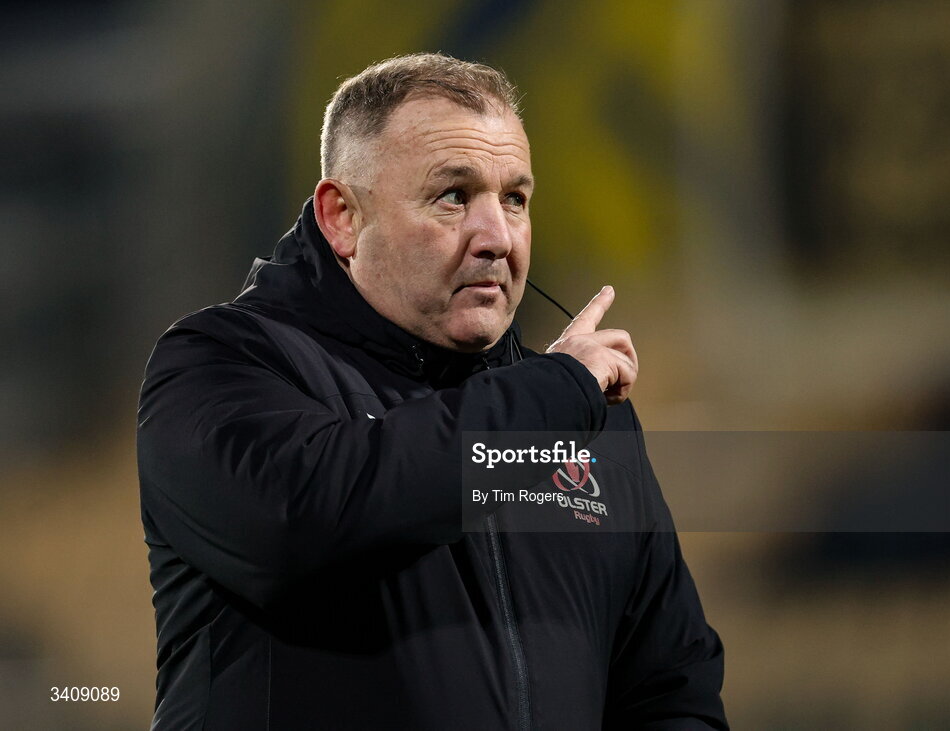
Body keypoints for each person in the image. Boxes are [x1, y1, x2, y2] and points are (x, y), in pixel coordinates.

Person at [138, 53, 727, 730]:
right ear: (342, 217)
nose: (497, 237)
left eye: (515, 199)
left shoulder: (586, 420)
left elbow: (669, 690)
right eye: (454, 195)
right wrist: (554, 398)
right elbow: (306, 519)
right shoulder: (222, 363)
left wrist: (558, 400)